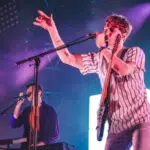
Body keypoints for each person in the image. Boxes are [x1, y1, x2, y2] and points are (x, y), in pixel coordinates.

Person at [33, 10, 150, 150]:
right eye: (105, 28)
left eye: (111, 29)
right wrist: (52, 30)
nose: (106, 32)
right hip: (117, 125)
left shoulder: (134, 52)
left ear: (123, 34)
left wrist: (102, 47)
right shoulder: (99, 58)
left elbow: (122, 69)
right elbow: (67, 58)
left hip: (141, 119)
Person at [10, 83, 59, 150]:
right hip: (27, 147)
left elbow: (55, 134)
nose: (28, 93)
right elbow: (14, 123)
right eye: (27, 92)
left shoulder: (49, 110)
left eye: (30, 90)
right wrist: (18, 105)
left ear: (39, 92)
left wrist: (40, 145)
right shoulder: (27, 111)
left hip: (43, 147)